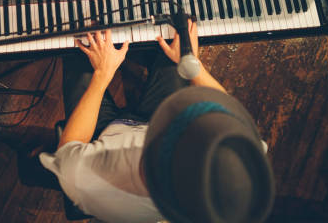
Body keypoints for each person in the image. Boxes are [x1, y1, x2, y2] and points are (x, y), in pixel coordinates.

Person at [39, 20, 275, 223]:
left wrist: (102, 75)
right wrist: (193, 66)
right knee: (177, 44)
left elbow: (69, 144)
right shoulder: (238, 164)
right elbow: (226, 112)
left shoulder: (84, 183)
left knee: (78, 44)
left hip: (101, 132)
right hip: (155, 119)